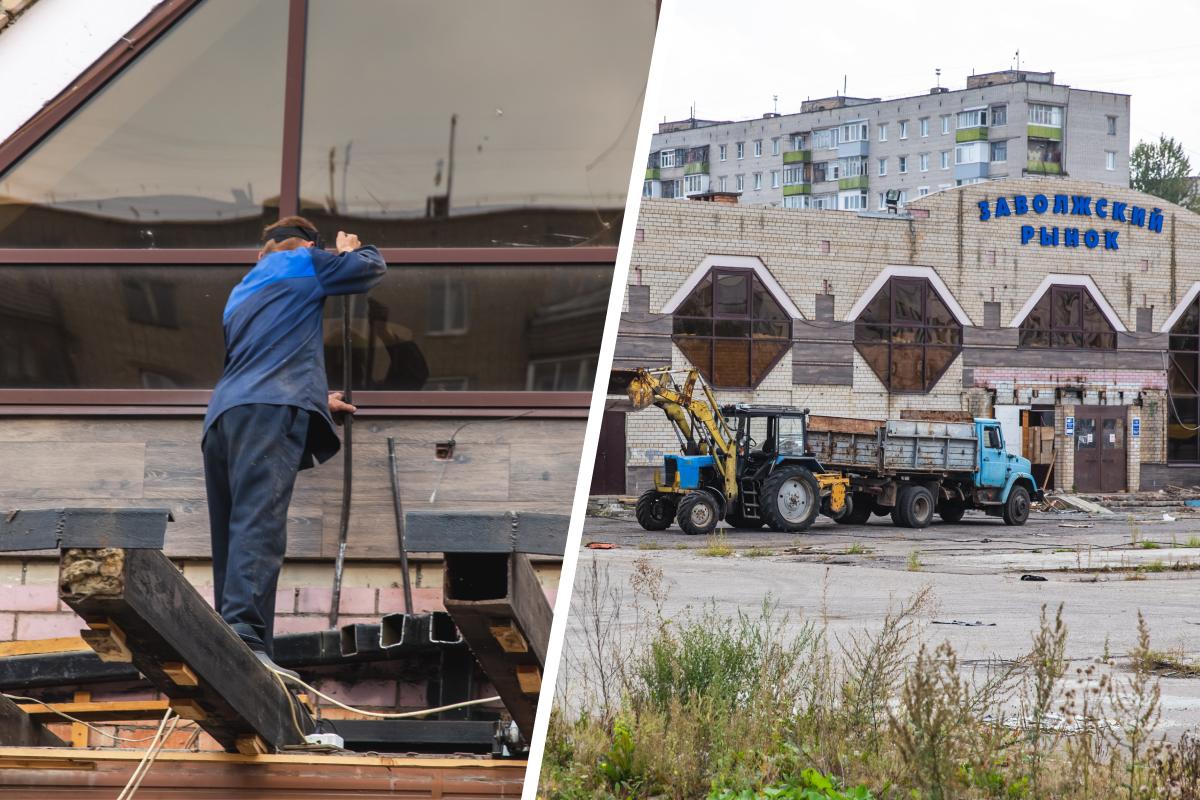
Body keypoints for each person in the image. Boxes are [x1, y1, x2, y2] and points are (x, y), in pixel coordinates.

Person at [202, 216, 386, 675]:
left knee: (232, 533)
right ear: (305, 245)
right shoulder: (304, 261)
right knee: (260, 524)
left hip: (224, 418)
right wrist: (346, 251)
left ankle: (239, 642)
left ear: (260, 251)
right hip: (267, 413)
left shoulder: (242, 289)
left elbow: (265, 356)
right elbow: (370, 267)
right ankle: (245, 636)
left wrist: (315, 399)